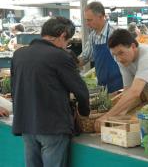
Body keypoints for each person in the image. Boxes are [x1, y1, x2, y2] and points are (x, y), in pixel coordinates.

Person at [11, 16, 90, 167]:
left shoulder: (19, 54)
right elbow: (80, 90)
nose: (66, 46)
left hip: (26, 124)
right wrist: (84, 112)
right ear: (62, 36)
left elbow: (15, 88)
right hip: (52, 126)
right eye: (68, 41)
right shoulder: (60, 56)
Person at [78, 1, 123, 93]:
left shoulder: (114, 34)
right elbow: (85, 56)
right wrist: (70, 64)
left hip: (119, 84)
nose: (87, 23)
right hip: (102, 85)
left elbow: (127, 61)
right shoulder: (93, 36)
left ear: (101, 17)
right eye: (86, 20)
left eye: (89, 20)